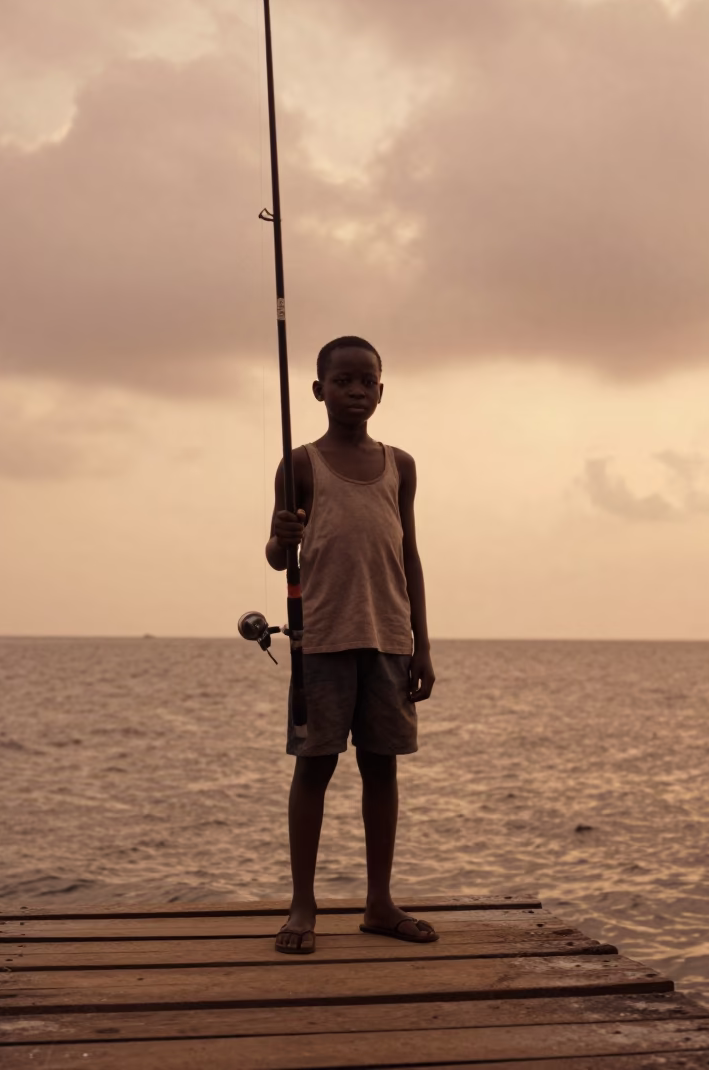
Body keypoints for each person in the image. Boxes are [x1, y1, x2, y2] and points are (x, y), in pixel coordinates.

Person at [265, 334, 438, 954]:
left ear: (382, 391)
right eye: (344, 381)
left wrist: (422, 643)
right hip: (322, 639)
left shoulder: (402, 465)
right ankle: (303, 905)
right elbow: (276, 555)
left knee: (381, 769)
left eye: (368, 381)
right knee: (314, 766)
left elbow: (409, 554)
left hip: (389, 637)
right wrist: (284, 535)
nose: (357, 391)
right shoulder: (300, 465)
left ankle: (379, 902)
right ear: (319, 391)